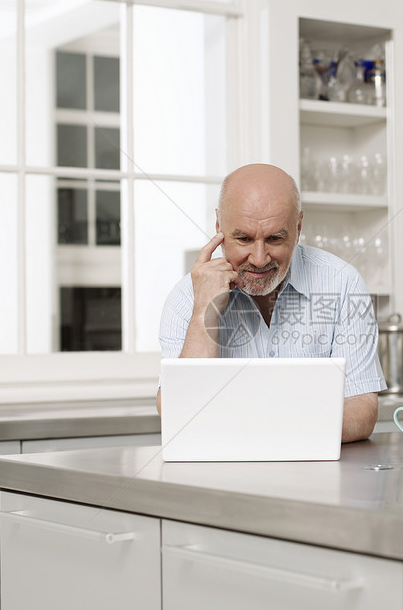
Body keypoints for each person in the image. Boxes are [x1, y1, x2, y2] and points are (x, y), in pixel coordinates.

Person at [157, 163, 385, 442]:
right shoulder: (186, 297)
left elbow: (361, 409)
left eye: (275, 238)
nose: (259, 257)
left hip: (316, 475)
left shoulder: (342, 283)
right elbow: (178, 413)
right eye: (243, 238)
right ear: (219, 226)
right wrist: (205, 308)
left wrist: (266, 432)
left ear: (298, 226)